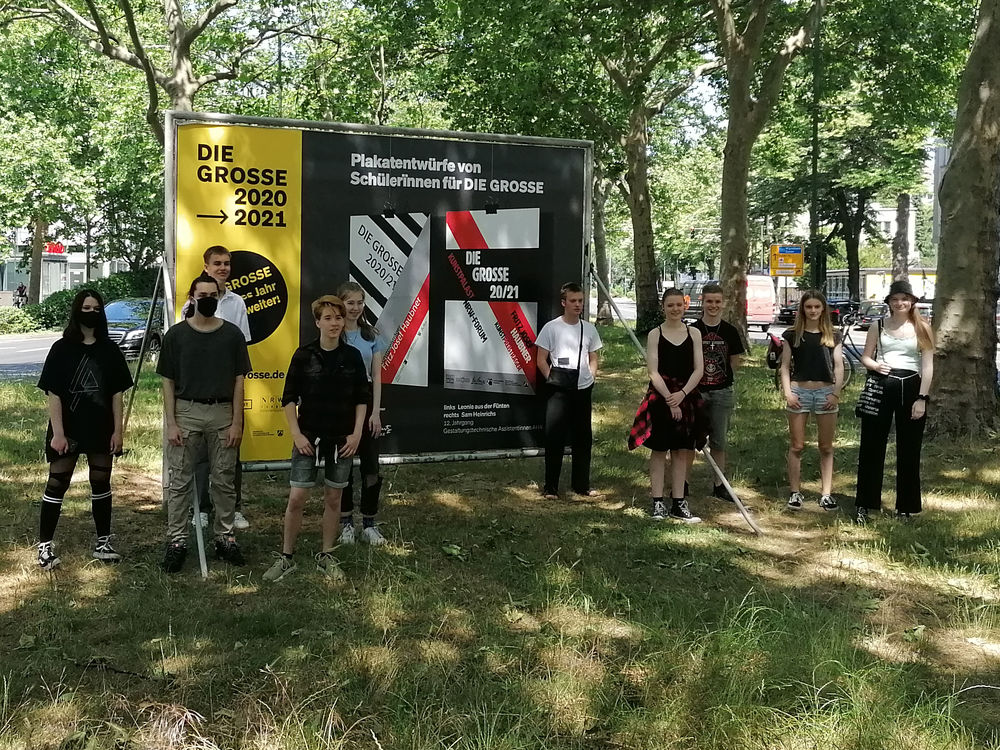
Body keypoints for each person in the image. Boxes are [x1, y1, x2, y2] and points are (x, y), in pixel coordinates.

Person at [263, 295, 368, 582]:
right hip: (308, 437)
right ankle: (286, 558)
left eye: (338, 318)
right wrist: (296, 434)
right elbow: (288, 399)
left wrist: (357, 433)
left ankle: (327, 555)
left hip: (342, 440)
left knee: (334, 498)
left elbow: (362, 398)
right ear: (317, 322)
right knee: (297, 498)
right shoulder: (303, 355)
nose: (334, 323)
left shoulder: (353, 357)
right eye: (328, 318)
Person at [157, 273, 251, 573]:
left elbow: (239, 383)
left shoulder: (233, 335)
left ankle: (225, 538)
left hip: (223, 413)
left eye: (213, 294)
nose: (208, 299)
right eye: (203, 295)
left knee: (223, 480)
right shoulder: (176, 336)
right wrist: (171, 422)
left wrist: (237, 422)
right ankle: (177, 542)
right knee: (180, 480)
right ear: (192, 297)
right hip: (186, 412)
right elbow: (167, 383)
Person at [35, 289, 134, 570]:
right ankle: (44, 546)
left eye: (96, 308)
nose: (91, 312)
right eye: (86, 307)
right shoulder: (61, 348)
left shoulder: (110, 349)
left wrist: (118, 431)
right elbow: (53, 393)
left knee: (101, 483)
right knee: (57, 483)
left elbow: (117, 394)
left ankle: (103, 541)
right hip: (68, 429)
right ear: (77, 310)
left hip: (101, 428)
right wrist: (58, 433)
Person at [183, 246, 252, 531]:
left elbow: (242, 344)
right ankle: (201, 507)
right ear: (206, 266)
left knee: (231, 452)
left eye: (226, 263)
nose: (223, 268)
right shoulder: (192, 302)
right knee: (200, 455)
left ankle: (233, 508)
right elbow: (186, 341)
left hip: (227, 388)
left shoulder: (237, 302)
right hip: (200, 388)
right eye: (217, 263)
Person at [854, 280, 935, 523]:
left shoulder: (923, 327)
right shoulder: (877, 326)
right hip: (882, 384)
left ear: (912, 302)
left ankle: (906, 507)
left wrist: (922, 398)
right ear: (889, 302)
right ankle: (865, 504)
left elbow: (928, 365)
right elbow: (865, 357)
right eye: (895, 299)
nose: (900, 303)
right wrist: (875, 365)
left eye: (905, 299)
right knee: (871, 445)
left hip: (911, 386)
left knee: (909, 448)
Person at [628, 288, 706, 522]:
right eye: (670, 305)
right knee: (660, 450)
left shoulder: (694, 334)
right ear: (663, 307)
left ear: (685, 305)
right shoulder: (655, 334)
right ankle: (657, 502)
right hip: (661, 397)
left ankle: (679, 502)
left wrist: (682, 395)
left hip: (687, 396)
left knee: (681, 451)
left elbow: (699, 369)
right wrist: (670, 398)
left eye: (678, 305)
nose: (674, 309)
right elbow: (653, 371)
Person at [535, 282, 603, 500]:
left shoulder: (589, 329)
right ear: (563, 303)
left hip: (582, 388)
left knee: (583, 437)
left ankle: (581, 485)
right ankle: (551, 487)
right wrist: (552, 378)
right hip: (559, 389)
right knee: (554, 436)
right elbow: (540, 359)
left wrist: (591, 376)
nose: (577, 305)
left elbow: (593, 357)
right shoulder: (551, 328)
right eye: (573, 301)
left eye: (580, 301)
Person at [779, 290, 844, 511]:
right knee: (797, 445)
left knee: (826, 446)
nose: (813, 311)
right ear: (803, 309)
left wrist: (836, 393)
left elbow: (838, 366)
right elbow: (785, 366)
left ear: (823, 309)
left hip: (825, 393)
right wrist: (788, 392)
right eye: (809, 307)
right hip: (799, 392)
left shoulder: (833, 335)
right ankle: (795, 492)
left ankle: (826, 494)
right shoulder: (792, 334)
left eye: (817, 307)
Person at [336, 281, 389, 546]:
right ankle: (345, 523)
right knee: (342, 466)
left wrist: (375, 413)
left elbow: (377, 376)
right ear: (340, 303)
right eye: (350, 302)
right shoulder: (335, 333)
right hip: (341, 405)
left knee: (370, 467)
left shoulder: (372, 336)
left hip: (367, 405)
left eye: (359, 302)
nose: (355, 308)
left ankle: (369, 523)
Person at [689, 282, 745, 500]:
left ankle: (719, 484)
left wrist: (719, 378)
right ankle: (683, 484)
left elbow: (734, 361)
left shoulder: (730, 331)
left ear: (723, 304)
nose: (713, 305)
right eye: (709, 301)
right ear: (702, 302)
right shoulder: (693, 330)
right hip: (697, 392)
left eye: (717, 302)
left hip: (722, 392)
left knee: (719, 441)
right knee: (690, 440)